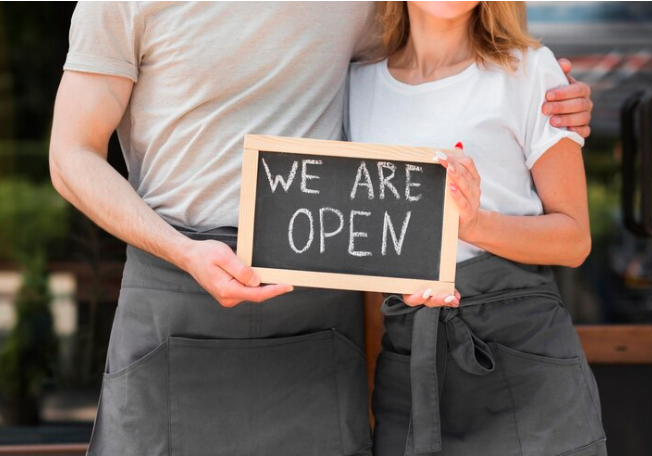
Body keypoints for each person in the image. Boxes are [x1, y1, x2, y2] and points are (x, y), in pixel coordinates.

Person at [49, 2, 594, 455]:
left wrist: (549, 90)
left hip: (316, 310)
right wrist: (184, 251)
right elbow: (70, 155)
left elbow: (454, 47)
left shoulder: (363, 9)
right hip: (176, 287)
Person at [345, 2, 606, 456]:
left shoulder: (529, 70)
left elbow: (574, 239)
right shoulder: (356, 84)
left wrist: (475, 224)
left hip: (520, 349)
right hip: (410, 354)